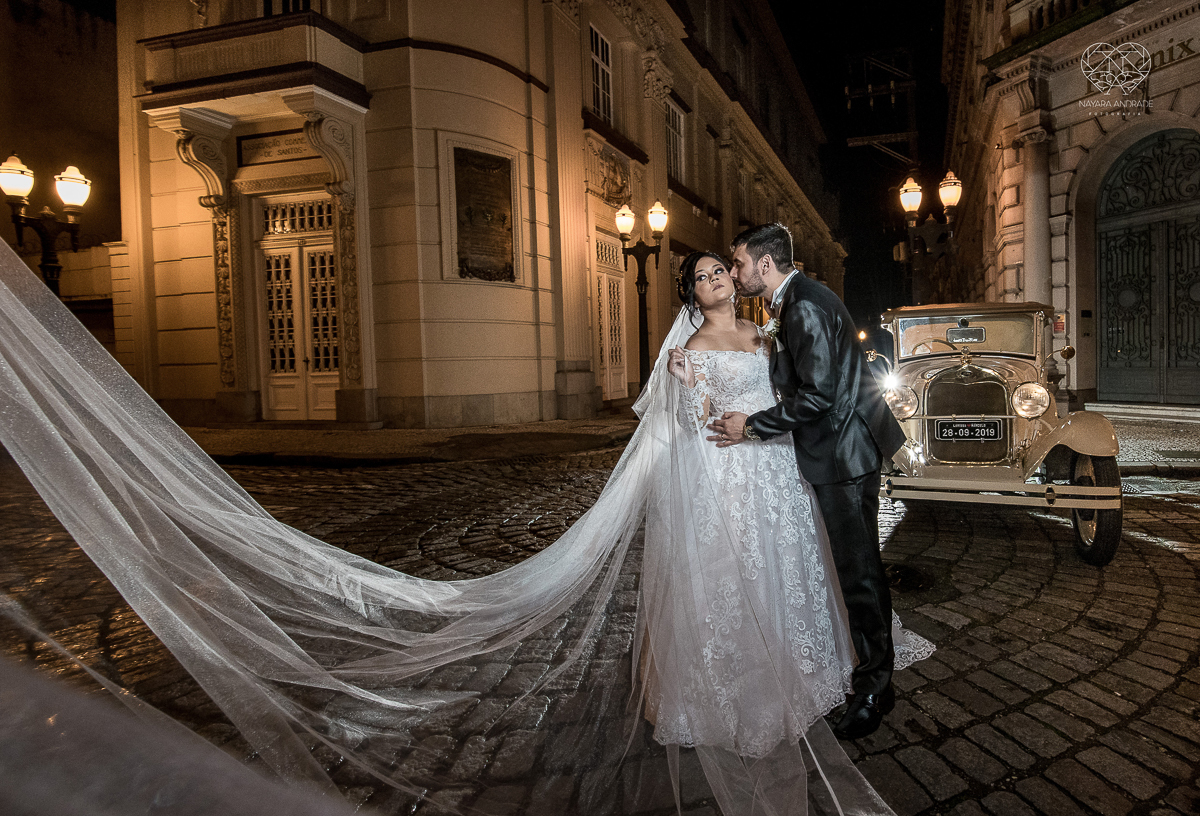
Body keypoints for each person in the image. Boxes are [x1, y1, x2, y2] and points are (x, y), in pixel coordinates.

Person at [0, 238, 927, 815]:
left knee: (786, 585)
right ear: (691, 293)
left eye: (722, 268)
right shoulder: (684, 350)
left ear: (742, 277)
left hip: (769, 487)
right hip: (724, 490)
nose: (717, 278)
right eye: (703, 274)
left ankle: (801, 674)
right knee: (729, 592)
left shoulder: (763, 339)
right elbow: (671, 428)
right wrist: (697, 407)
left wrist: (756, 421)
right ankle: (731, 688)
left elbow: (797, 397)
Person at [709, 223, 909, 740]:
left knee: (859, 572)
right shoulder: (799, 299)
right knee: (858, 567)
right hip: (847, 449)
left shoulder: (801, 306)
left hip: (841, 456)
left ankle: (873, 688)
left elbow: (818, 396)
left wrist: (752, 426)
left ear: (765, 264)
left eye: (738, 264)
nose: (734, 273)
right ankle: (873, 675)